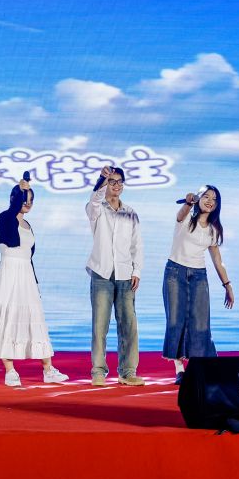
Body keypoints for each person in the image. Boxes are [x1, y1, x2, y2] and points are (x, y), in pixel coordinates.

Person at [0, 181, 69, 387]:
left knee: (35, 317)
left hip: (26, 274)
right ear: (15, 199)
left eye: (31, 200)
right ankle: (10, 371)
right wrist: (21, 191)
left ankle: (48, 369)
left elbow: (29, 255)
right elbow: (10, 234)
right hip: (9, 272)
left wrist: (35, 282)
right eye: (24, 200)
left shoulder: (28, 225)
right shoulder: (5, 218)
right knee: (8, 316)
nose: (28, 203)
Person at [163, 185, 235, 384]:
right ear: (198, 198)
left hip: (198, 276)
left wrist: (227, 285)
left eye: (214, 199)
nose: (210, 201)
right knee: (176, 320)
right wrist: (188, 203)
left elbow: (218, 261)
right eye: (206, 196)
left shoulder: (213, 230)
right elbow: (181, 214)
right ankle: (179, 369)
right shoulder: (186, 218)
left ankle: (200, 366)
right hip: (175, 272)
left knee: (201, 322)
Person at [86, 166, 145, 387]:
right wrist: (101, 179)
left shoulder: (131, 212)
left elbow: (137, 245)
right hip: (101, 273)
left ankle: (128, 372)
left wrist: (137, 271)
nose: (116, 185)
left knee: (129, 324)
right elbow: (94, 198)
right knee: (100, 325)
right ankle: (98, 371)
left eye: (120, 181)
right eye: (112, 181)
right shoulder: (96, 208)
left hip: (125, 274)